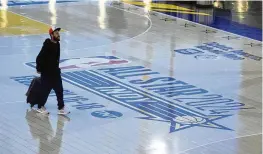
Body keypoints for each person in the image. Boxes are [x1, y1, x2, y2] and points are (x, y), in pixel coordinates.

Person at [36, 27, 70, 115]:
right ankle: (40, 107)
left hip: (55, 72)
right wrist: (39, 69)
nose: (58, 35)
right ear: (51, 35)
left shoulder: (57, 44)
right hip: (47, 73)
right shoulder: (47, 45)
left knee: (60, 90)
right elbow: (39, 58)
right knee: (45, 91)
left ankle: (61, 108)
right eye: (56, 33)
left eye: (58, 33)